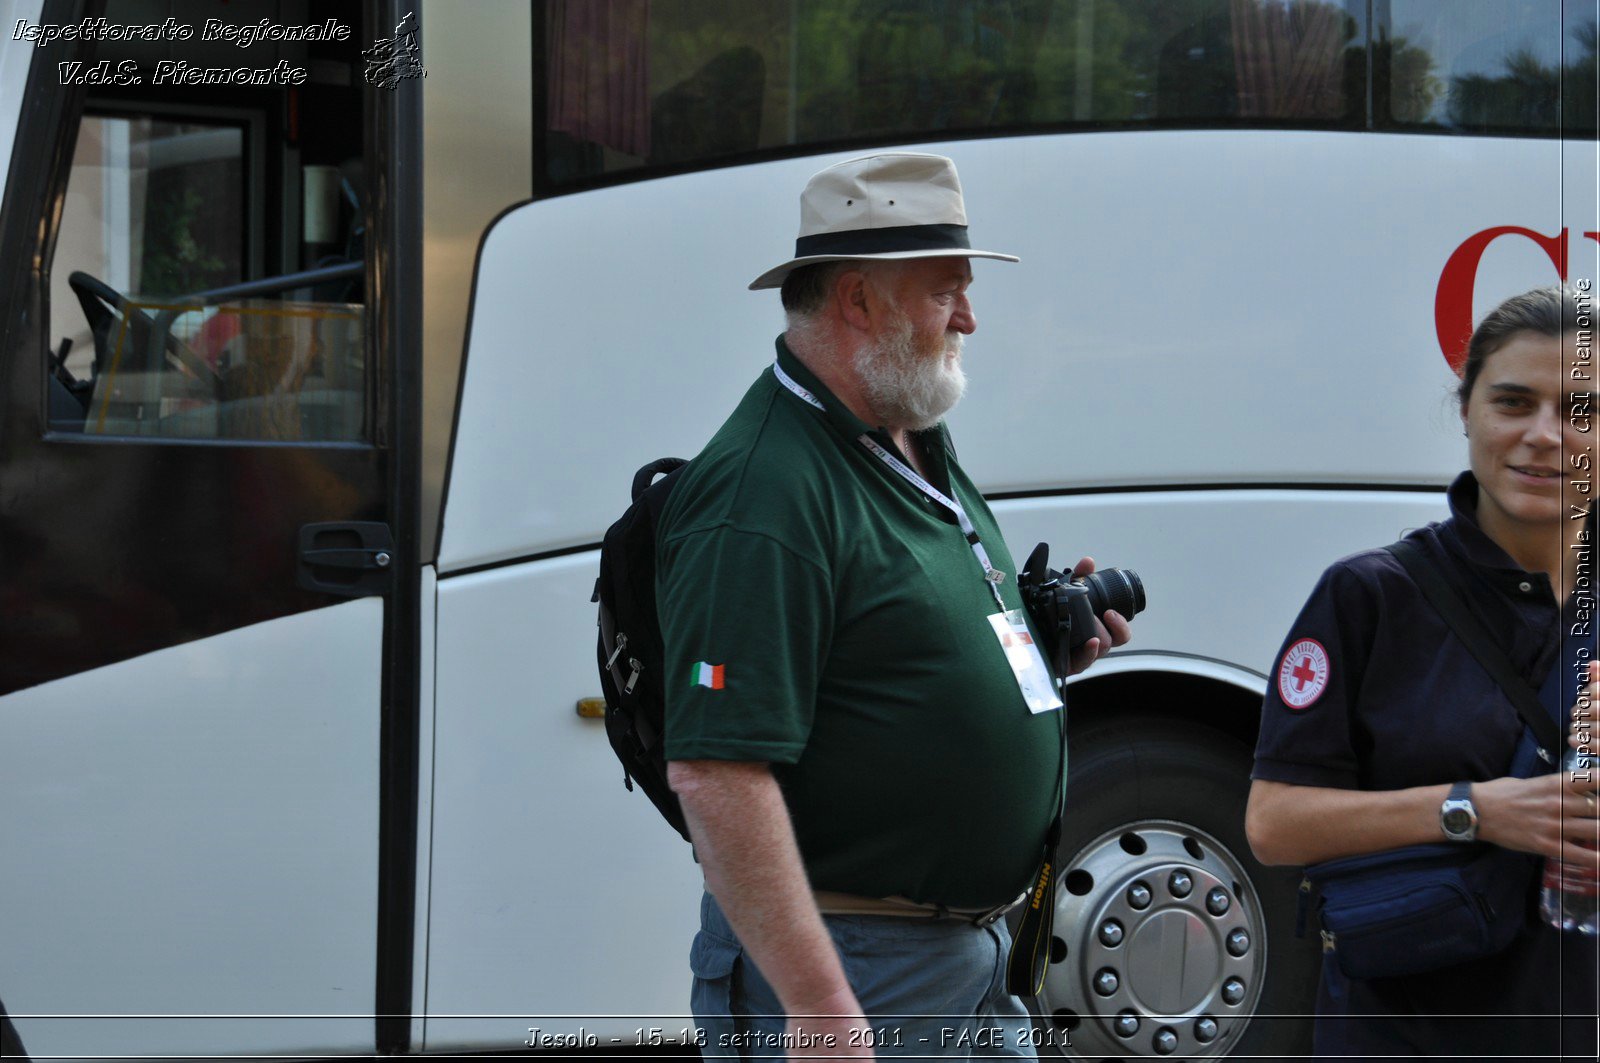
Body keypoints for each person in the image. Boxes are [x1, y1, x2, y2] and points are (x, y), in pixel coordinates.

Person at [657, 152, 1131, 1059]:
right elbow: (715, 773)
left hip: (968, 961)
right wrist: (819, 1004)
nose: (970, 316)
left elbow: (896, 641)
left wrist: (1033, 653)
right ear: (860, 301)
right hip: (863, 973)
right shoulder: (763, 491)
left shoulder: (905, 429)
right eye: (944, 290)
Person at [1245, 284, 1600, 1057]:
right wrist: (1474, 808)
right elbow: (1273, 824)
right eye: (1514, 402)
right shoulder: (1371, 594)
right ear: (1466, 409)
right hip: (1408, 1029)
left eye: (1582, 411)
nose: (1546, 435)